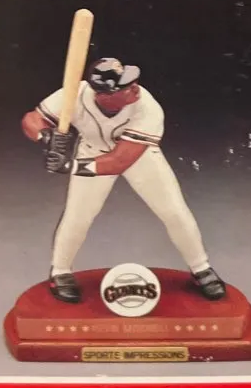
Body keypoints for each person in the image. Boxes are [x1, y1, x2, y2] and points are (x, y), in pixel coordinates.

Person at [21, 57, 225, 304]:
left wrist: (69, 165)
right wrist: (45, 136)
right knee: (77, 216)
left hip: (138, 157)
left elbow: (119, 161)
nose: (135, 87)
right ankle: (60, 272)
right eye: (126, 86)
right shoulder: (75, 93)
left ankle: (201, 268)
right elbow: (32, 119)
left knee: (174, 211)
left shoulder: (146, 106)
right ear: (103, 95)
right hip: (91, 150)